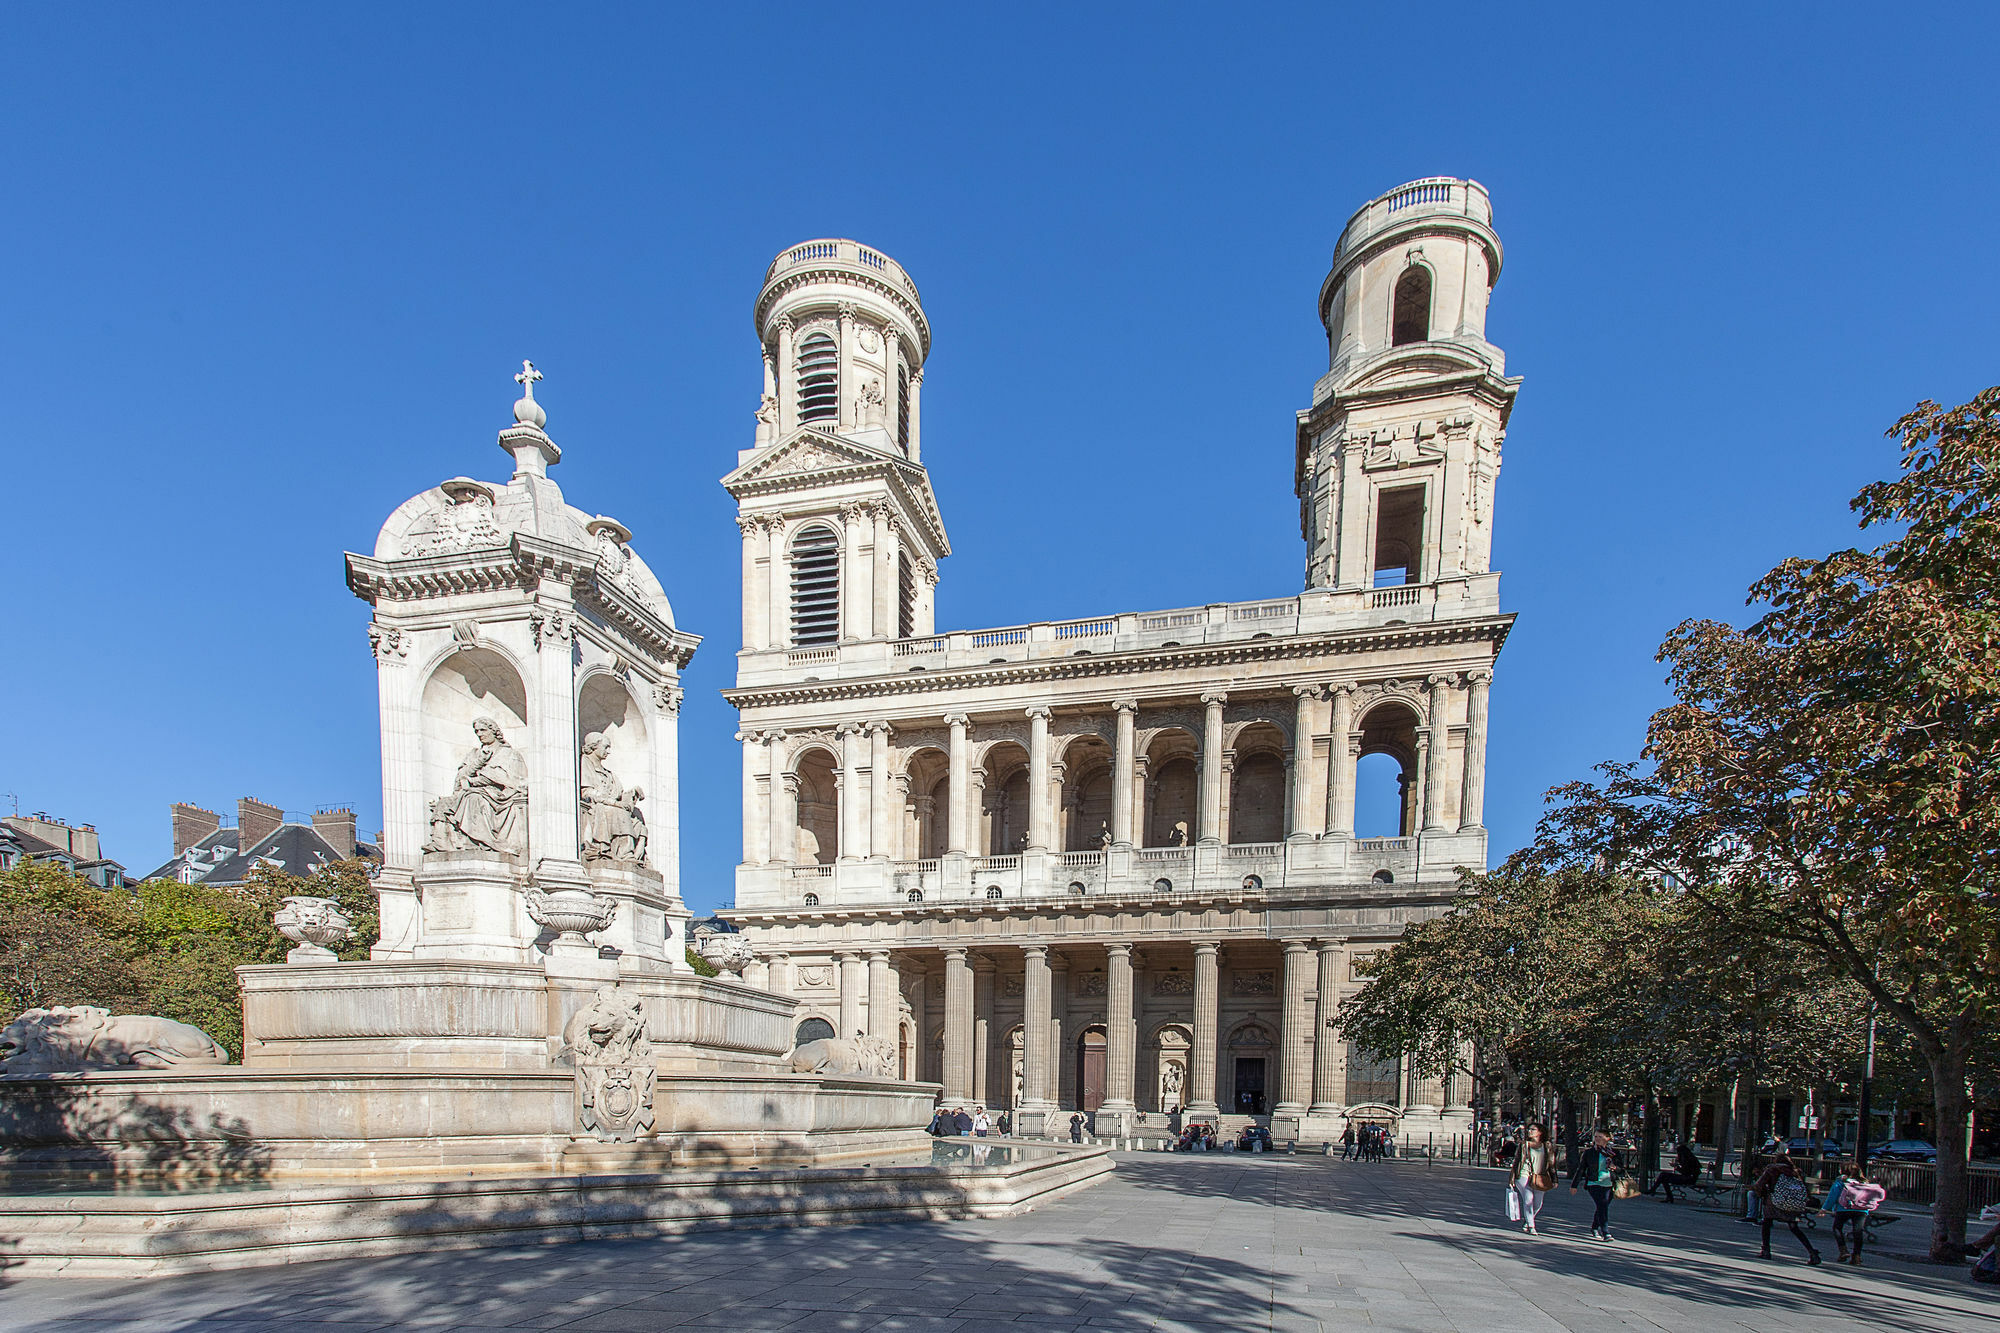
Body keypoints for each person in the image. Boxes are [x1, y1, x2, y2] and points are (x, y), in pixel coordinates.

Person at [1750, 1154, 1822, 1265]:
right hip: (1792, 1203)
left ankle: (1766, 1250)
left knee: (1767, 1224)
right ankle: (1812, 1252)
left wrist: (1762, 1195)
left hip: (1774, 1202)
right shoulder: (1796, 1172)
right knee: (1794, 1227)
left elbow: (1758, 1185)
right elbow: (1804, 1188)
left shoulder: (1772, 1169)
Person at [1820, 1161, 1886, 1266]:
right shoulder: (1864, 1182)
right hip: (1861, 1210)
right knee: (1858, 1232)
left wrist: (1824, 1209)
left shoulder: (1841, 1181)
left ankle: (1843, 1250)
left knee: (1837, 1228)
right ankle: (1857, 1256)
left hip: (1843, 1209)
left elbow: (1833, 1196)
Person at [1569, 1129, 1624, 1242]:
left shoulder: (1614, 1153)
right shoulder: (1589, 1152)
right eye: (1596, 1137)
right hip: (1594, 1183)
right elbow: (1581, 1169)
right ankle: (1606, 1232)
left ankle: (1594, 1227)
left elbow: (1621, 1169)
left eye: (1600, 1137)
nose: (1597, 1139)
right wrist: (1574, 1185)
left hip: (1609, 1183)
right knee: (1602, 1205)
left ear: (1608, 1138)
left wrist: (1615, 1168)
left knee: (1602, 1207)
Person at [1509, 1123, 1555, 1236]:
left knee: (1538, 1203)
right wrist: (1512, 1178)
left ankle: (1528, 1220)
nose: (1530, 1131)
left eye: (1533, 1129)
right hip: (1524, 1174)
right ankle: (1531, 1226)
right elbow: (1516, 1162)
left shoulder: (1546, 1145)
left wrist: (1554, 1179)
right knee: (1528, 1198)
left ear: (1540, 1132)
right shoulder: (1524, 1145)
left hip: (1540, 1176)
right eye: (1529, 1129)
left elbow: (1551, 1163)